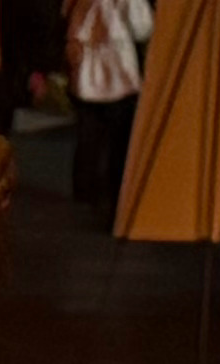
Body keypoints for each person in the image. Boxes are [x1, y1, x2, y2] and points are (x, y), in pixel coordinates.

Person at [68, 0, 142, 214]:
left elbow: (75, 28)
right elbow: (142, 26)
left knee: (90, 138)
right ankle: (111, 190)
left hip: (90, 77)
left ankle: (86, 189)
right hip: (119, 77)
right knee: (117, 141)